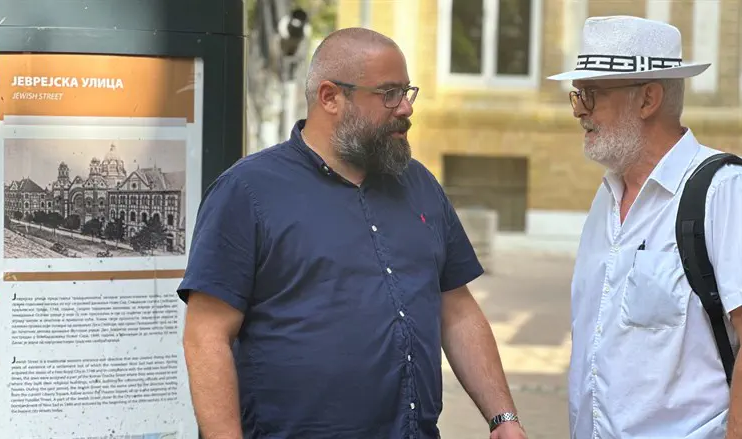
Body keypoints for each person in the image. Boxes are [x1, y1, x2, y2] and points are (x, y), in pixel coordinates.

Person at [177, 27, 527, 439]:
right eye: (389, 93)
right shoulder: (247, 192)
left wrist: (503, 418)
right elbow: (206, 335)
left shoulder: (420, 186)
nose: (406, 109)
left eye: (408, 92)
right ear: (330, 97)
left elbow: (457, 309)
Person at [547, 15, 742, 439]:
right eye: (578, 95)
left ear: (647, 99)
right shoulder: (607, 197)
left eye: (591, 95)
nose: (579, 111)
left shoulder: (722, 192)